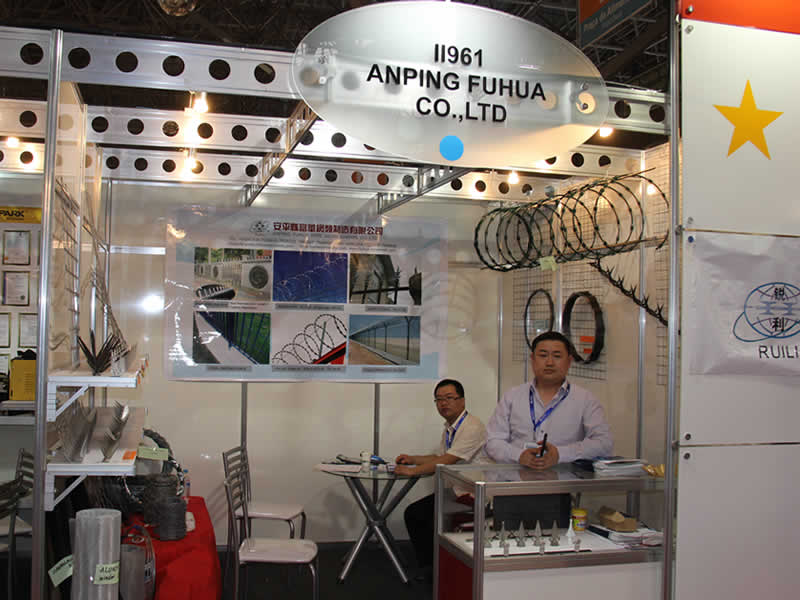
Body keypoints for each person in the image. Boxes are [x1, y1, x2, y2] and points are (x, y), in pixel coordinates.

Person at [396, 378, 487, 581]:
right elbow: (439, 457)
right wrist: (413, 459)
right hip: (457, 490)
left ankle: (434, 569)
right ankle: (433, 567)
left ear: (462, 400)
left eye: (449, 398)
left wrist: (412, 471)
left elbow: (447, 460)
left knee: (417, 514)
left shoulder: (472, 427)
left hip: (473, 495)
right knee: (416, 514)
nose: (443, 403)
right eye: (438, 399)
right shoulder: (450, 427)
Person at [486, 331, 612, 468]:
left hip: (564, 478)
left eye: (557, 356)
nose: (549, 362)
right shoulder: (512, 396)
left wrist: (561, 454)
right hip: (516, 477)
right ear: (532, 359)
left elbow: (603, 443)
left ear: (569, 361)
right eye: (543, 355)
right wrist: (518, 455)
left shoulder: (585, 399)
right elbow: (492, 441)